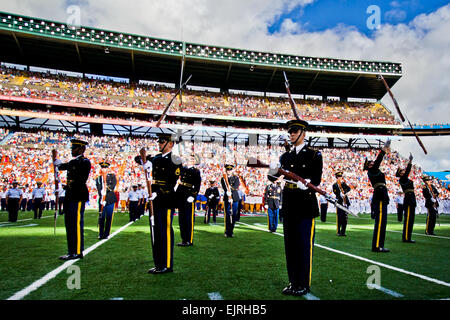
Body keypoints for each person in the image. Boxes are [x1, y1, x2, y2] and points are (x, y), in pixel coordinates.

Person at [270, 119, 323, 297]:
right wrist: (272, 169)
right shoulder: (285, 157)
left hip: (305, 204)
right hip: (290, 203)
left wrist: (308, 183)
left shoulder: (314, 155)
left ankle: (303, 284)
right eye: (290, 132)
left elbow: (317, 179)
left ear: (303, 133)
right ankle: (293, 281)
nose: (291, 134)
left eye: (294, 131)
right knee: (290, 246)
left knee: (303, 246)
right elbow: (273, 178)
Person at [135, 133, 182, 274]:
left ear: (171, 144)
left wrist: (158, 193)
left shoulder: (175, 160)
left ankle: (167, 264)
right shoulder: (156, 158)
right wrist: (144, 160)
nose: (159, 144)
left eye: (162, 142)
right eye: (159, 141)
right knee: (156, 231)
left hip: (165, 198)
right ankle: (159, 263)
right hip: (154, 199)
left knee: (165, 231)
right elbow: (138, 159)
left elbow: (171, 182)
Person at [53, 139, 91, 260]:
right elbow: (65, 167)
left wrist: (59, 165)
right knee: (69, 224)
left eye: (74, 148)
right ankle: (71, 251)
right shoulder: (73, 162)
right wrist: (57, 166)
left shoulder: (84, 162)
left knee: (76, 224)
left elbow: (78, 179)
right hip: (70, 196)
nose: (72, 150)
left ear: (81, 149)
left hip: (78, 196)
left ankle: (78, 251)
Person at [363, 140, 391, 253]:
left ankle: (380, 245)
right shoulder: (372, 171)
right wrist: (383, 149)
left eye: (371, 163)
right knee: (380, 222)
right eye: (369, 164)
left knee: (383, 222)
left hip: (382, 194)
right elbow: (378, 160)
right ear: (368, 167)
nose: (372, 164)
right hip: (379, 195)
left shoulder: (375, 170)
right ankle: (377, 246)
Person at [175, 153, 202, 247]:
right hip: (181, 195)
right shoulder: (183, 169)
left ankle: (189, 240)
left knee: (188, 219)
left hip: (189, 196)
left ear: (194, 161)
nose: (190, 160)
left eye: (192, 159)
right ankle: (183, 239)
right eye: (189, 158)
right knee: (181, 219)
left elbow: (197, 185)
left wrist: (193, 196)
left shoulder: (196, 171)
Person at [396, 153, 416, 243]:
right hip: (408, 199)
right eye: (402, 171)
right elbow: (408, 170)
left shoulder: (405, 179)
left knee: (411, 219)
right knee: (408, 219)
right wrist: (410, 161)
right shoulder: (402, 179)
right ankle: (406, 237)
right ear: (400, 174)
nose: (403, 172)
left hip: (411, 199)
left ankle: (408, 237)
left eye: (403, 171)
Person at [97, 162, 118, 240]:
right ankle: (100, 233)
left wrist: (106, 188)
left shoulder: (112, 176)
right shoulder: (98, 178)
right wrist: (101, 195)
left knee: (109, 217)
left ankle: (106, 234)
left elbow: (112, 186)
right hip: (102, 200)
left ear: (108, 168)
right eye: (102, 168)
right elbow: (98, 188)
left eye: (105, 168)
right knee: (101, 217)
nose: (104, 169)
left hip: (110, 199)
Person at [221, 164, 239, 238]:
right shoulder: (223, 179)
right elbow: (224, 187)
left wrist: (230, 191)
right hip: (227, 198)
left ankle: (231, 231)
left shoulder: (236, 178)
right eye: (227, 170)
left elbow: (236, 186)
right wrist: (227, 192)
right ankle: (227, 231)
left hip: (234, 198)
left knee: (233, 215)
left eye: (230, 170)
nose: (229, 171)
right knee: (227, 216)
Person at [332, 171, 351, 237]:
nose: (340, 178)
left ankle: (343, 232)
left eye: (341, 176)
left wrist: (344, 192)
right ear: (336, 177)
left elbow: (349, 188)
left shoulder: (343, 183)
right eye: (339, 177)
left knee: (345, 218)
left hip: (345, 202)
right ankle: (338, 231)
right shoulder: (335, 185)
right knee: (339, 217)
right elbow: (335, 192)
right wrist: (339, 193)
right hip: (339, 202)